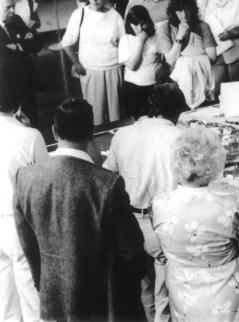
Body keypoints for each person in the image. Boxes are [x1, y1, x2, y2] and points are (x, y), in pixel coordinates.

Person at [14, 98, 147, 321]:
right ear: (91, 132)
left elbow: (28, 245)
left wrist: (45, 285)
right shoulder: (107, 184)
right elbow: (132, 253)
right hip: (106, 303)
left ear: (54, 132)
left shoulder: (25, 178)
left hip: (54, 298)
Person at [152, 127, 239, 321]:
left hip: (182, 289)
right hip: (224, 290)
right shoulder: (229, 206)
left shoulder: (160, 204)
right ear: (212, 163)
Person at [103, 83, 188, 322]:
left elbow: (108, 175)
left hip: (129, 222)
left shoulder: (123, 133)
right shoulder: (180, 137)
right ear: (175, 112)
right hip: (164, 223)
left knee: (144, 287)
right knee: (166, 291)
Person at [0, 66, 46, 322]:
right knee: (31, 295)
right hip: (20, 224)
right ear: (18, 102)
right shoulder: (29, 136)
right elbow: (43, 182)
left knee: (4, 299)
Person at [62, 0, 125, 126]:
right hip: (90, 71)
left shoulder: (115, 16)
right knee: (95, 115)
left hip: (113, 70)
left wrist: (122, 69)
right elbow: (66, 42)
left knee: (116, 115)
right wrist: (76, 62)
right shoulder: (80, 14)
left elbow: (123, 45)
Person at [159, 0, 216, 109]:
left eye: (186, 9)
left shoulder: (202, 26)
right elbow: (170, 61)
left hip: (201, 79)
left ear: (192, 8)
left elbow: (212, 57)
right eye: (179, 10)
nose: (184, 14)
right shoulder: (165, 28)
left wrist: (190, 60)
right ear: (173, 12)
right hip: (173, 82)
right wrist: (180, 35)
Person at [198, 0, 239, 98]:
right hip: (213, 51)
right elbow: (198, 22)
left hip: (234, 51)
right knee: (214, 89)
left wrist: (233, 32)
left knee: (234, 91)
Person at [0, 0, 42, 127]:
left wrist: (16, 47)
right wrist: (22, 43)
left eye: (13, 6)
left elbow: (36, 43)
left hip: (26, 85)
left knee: (33, 123)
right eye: (8, 7)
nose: (12, 10)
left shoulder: (15, 20)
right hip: (6, 90)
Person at [119, 5, 170, 119]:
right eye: (135, 24)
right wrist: (141, 42)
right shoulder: (126, 39)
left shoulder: (156, 37)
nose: (140, 28)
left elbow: (166, 59)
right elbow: (132, 66)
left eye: (143, 23)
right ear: (129, 24)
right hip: (133, 89)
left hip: (155, 87)